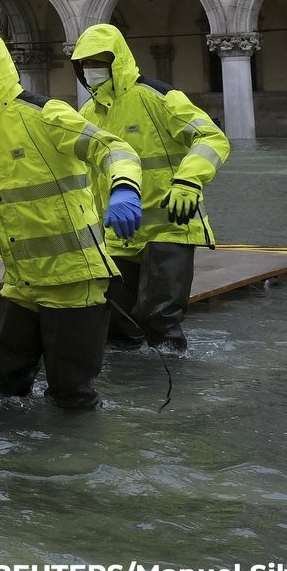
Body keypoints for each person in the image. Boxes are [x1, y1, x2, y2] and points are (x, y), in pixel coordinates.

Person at [0, 30, 143, 410]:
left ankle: (76, 460)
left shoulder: (44, 114)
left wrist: (125, 187)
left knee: (72, 395)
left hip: (73, 280)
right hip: (21, 282)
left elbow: (113, 148)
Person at [71, 23, 230, 353]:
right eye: (85, 63)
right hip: (118, 232)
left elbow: (211, 137)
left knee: (158, 316)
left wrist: (189, 179)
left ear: (117, 60)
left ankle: (176, 384)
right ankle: (132, 390)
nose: (92, 70)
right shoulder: (87, 113)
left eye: (99, 61)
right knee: (117, 320)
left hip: (170, 226)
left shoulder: (157, 96)